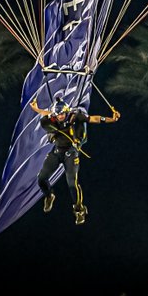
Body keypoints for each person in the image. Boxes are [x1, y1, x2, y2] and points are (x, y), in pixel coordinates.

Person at [30, 96, 120, 224]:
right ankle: (49, 195)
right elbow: (48, 113)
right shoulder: (54, 117)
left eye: (62, 114)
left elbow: (93, 118)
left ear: (67, 111)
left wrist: (111, 119)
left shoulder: (75, 116)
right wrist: (37, 109)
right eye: (57, 115)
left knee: (72, 183)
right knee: (41, 178)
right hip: (57, 151)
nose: (60, 117)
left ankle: (79, 210)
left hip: (71, 153)